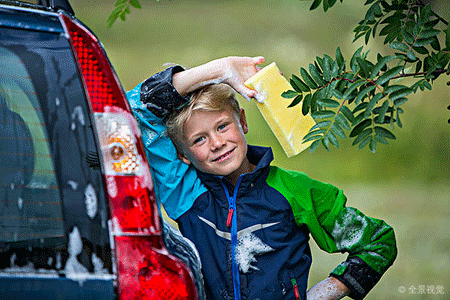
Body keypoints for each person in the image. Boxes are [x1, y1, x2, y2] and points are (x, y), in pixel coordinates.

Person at [126, 56, 397, 300]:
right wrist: (218, 69)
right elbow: (136, 110)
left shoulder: (293, 189)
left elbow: (377, 241)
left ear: (243, 122)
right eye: (199, 139)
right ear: (182, 154)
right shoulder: (186, 194)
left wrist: (321, 295)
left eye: (222, 126)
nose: (217, 143)